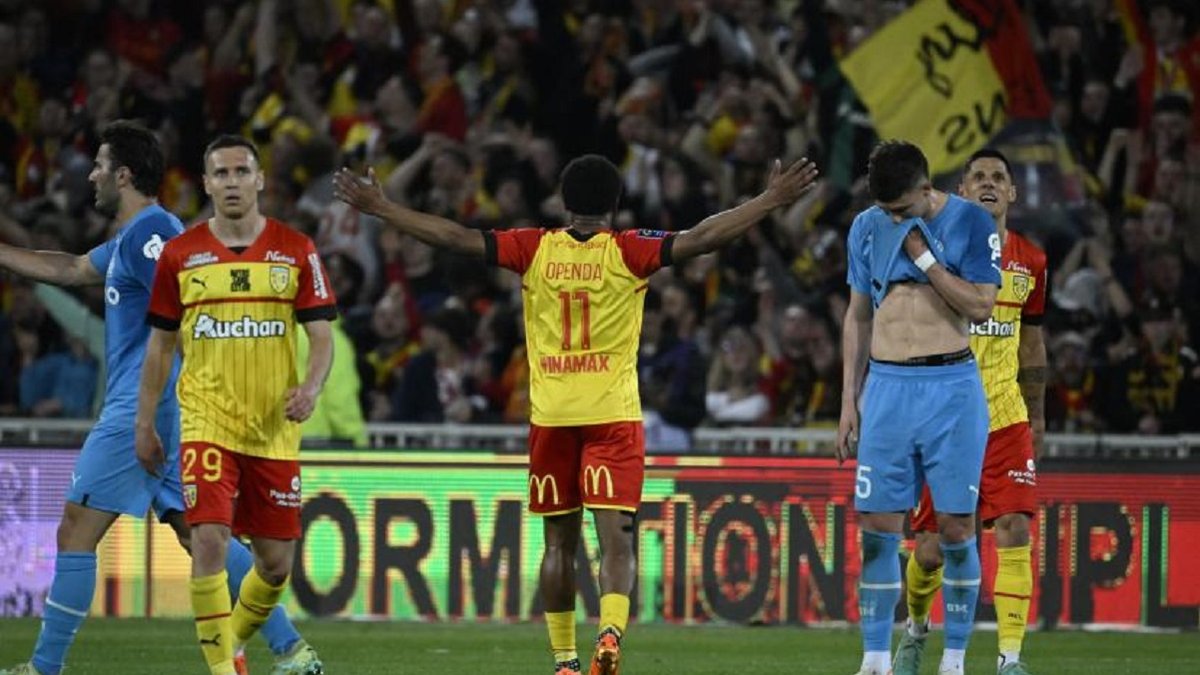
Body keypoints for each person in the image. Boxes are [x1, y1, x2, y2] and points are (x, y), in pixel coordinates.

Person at [334, 153, 818, 675]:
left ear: (564, 204)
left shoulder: (534, 247)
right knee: (616, 541)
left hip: (552, 417)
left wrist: (384, 208)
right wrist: (770, 199)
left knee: (558, 545)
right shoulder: (629, 250)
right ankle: (609, 633)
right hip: (612, 414)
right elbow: (702, 238)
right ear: (616, 204)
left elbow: (455, 237)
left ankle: (564, 661)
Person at [0, 122, 323, 675]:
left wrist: (158, 412)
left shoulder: (154, 235)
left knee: (75, 528)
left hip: (145, 404)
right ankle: (292, 650)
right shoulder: (135, 238)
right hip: (168, 405)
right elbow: (71, 268)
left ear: (123, 175)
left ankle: (44, 668)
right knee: (195, 531)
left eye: (100, 166)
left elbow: (188, 307)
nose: (92, 176)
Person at [134, 135, 336, 675]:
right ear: (205, 184)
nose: (231, 182)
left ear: (260, 179)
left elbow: (321, 336)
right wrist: (144, 421)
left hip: (273, 429)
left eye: (241, 172)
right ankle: (223, 670)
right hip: (207, 421)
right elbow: (160, 346)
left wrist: (312, 388)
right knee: (209, 540)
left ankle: (232, 643)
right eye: (220, 173)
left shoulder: (297, 249)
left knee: (275, 566)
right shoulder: (181, 255)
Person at [836, 140, 1001, 675]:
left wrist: (925, 258)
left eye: (902, 209)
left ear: (927, 189)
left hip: (951, 389)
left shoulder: (972, 222)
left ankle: (953, 660)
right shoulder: (865, 227)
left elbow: (981, 305)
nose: (892, 218)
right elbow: (858, 315)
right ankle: (874, 660)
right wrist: (849, 401)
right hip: (886, 389)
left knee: (955, 529)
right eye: (885, 209)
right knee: (877, 528)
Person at [893, 149, 1047, 675]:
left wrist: (1037, 414)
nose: (988, 183)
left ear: (1012, 193)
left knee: (1014, 529)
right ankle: (916, 629)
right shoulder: (935, 253)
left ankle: (1010, 658)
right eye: (977, 176)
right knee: (931, 550)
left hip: (1006, 417)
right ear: (961, 192)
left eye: (998, 177)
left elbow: (1032, 344)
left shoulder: (1032, 261)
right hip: (946, 420)